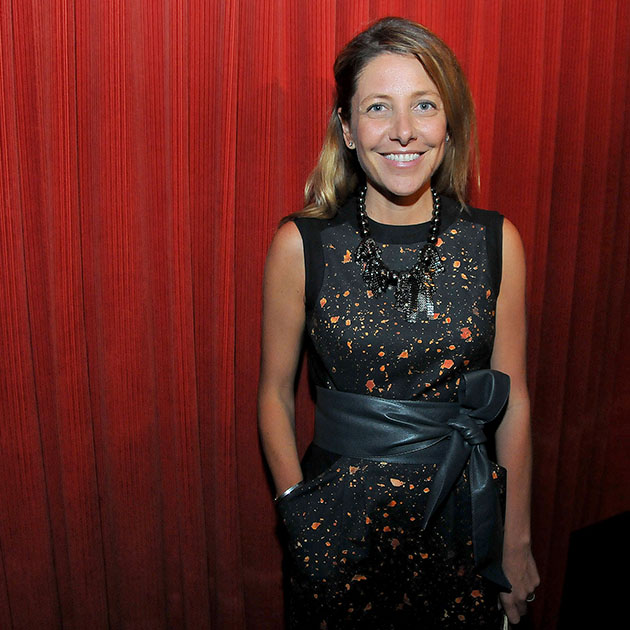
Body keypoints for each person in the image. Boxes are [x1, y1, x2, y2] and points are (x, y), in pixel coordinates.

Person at [258, 16, 539, 629]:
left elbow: (513, 400)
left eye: (424, 105)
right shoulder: (301, 245)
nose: (404, 130)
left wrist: (515, 542)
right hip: (339, 527)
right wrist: (299, 515)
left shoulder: (496, 242)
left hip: (464, 521)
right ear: (347, 128)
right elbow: (274, 395)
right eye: (378, 107)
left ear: (448, 124)